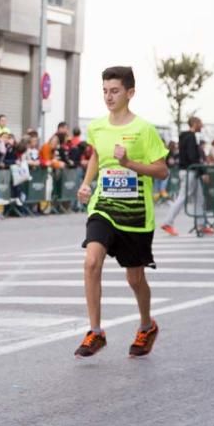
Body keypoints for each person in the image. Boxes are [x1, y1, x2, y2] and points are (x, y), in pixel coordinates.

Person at [75, 66, 168, 358]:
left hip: (136, 214)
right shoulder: (98, 127)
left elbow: (162, 171)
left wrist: (129, 164)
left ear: (130, 93)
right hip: (103, 205)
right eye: (104, 90)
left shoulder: (144, 129)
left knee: (134, 279)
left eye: (114, 91)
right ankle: (96, 332)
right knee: (91, 262)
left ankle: (146, 325)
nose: (108, 96)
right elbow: (96, 156)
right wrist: (86, 184)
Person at [159, 116, 213, 237]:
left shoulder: (186, 137)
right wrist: (203, 172)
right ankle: (168, 222)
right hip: (191, 172)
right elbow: (192, 157)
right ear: (194, 123)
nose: (202, 125)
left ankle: (201, 225)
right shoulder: (191, 137)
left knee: (200, 198)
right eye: (200, 123)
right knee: (182, 197)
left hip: (190, 171)